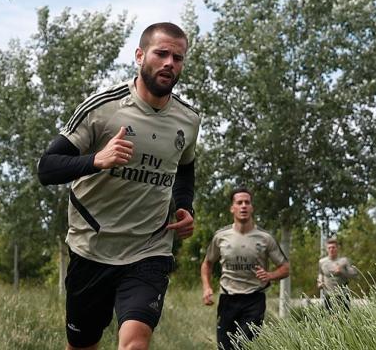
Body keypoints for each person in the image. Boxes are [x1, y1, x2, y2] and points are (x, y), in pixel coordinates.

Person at [37, 22, 200, 350]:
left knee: (134, 344)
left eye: (178, 57)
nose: (170, 62)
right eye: (161, 53)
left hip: (149, 247)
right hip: (92, 247)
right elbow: (47, 168)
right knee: (83, 345)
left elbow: (185, 168)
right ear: (140, 56)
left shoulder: (189, 119)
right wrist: (96, 160)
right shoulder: (103, 108)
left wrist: (184, 206)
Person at [201, 188, 290, 350]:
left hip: (254, 300)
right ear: (232, 208)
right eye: (239, 203)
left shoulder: (265, 238)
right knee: (225, 347)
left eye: (247, 203)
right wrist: (207, 287)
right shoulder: (221, 237)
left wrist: (270, 275)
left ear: (252, 208)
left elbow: (285, 268)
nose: (243, 206)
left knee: (243, 345)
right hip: (228, 299)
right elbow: (207, 263)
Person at [317, 237, 357, 313]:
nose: (331, 249)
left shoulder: (344, 261)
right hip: (328, 295)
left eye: (333, 247)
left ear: (337, 248)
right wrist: (319, 282)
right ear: (326, 249)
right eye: (329, 248)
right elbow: (320, 273)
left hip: (343, 295)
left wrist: (342, 271)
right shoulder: (322, 262)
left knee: (345, 320)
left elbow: (354, 274)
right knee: (331, 320)